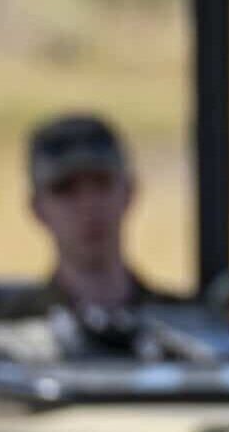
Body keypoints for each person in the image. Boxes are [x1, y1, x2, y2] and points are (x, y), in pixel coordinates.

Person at [9, 113, 178, 322]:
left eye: (102, 183)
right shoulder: (7, 332)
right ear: (37, 208)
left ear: (129, 192)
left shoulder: (185, 325)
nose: (89, 205)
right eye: (65, 189)